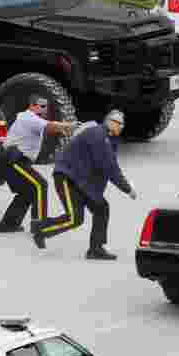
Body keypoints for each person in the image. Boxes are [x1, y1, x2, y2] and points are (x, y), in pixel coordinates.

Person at [40, 110, 137, 259]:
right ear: (110, 122)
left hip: (82, 181)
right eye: (119, 124)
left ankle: (95, 249)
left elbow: (106, 167)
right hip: (67, 176)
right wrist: (127, 188)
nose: (121, 127)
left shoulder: (108, 138)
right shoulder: (99, 136)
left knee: (101, 208)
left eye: (122, 124)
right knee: (75, 218)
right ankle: (42, 230)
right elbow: (109, 167)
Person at [0, 95, 75, 233]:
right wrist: (69, 125)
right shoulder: (28, 117)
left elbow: (51, 128)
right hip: (14, 159)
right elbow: (51, 126)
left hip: (16, 160)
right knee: (40, 185)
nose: (44, 110)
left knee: (27, 192)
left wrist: (64, 129)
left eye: (46, 107)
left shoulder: (33, 120)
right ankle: (39, 224)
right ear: (32, 106)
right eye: (41, 106)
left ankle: (8, 224)